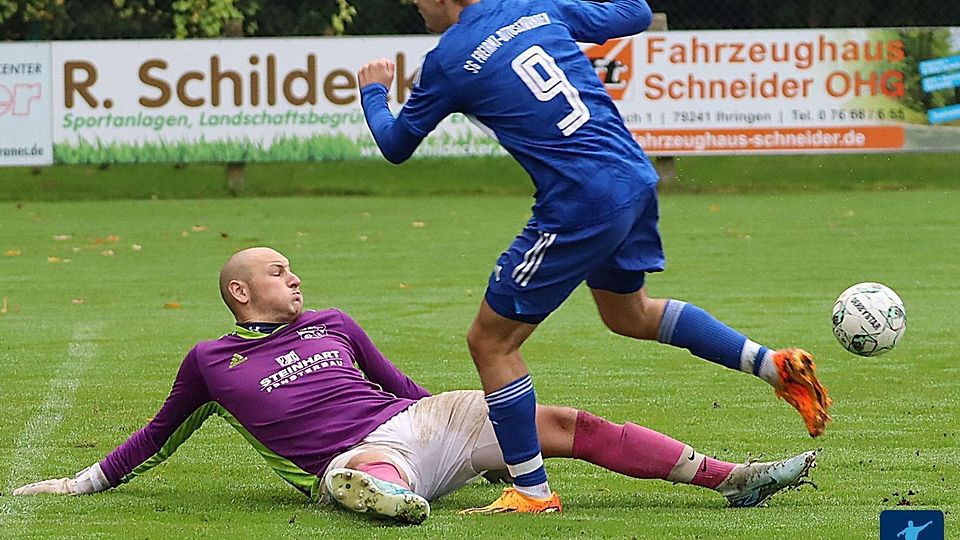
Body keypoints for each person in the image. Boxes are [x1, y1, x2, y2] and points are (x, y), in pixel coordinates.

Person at [357, 0, 831, 513]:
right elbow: (635, 13)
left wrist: (374, 91)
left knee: (490, 341)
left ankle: (531, 493)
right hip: (632, 177)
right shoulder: (535, 7)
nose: (413, 5)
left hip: (578, 201)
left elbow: (395, 143)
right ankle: (773, 365)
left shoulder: (449, 59)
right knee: (630, 314)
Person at [12, 247, 818, 524]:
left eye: (293, 270)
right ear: (239, 294)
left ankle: (731, 477)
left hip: (423, 425)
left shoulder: (333, 321)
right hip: (354, 455)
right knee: (364, 473)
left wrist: (489, 441)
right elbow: (158, 437)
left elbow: (402, 386)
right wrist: (80, 483)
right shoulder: (209, 363)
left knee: (561, 421)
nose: (294, 279)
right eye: (277, 272)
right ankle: (383, 497)